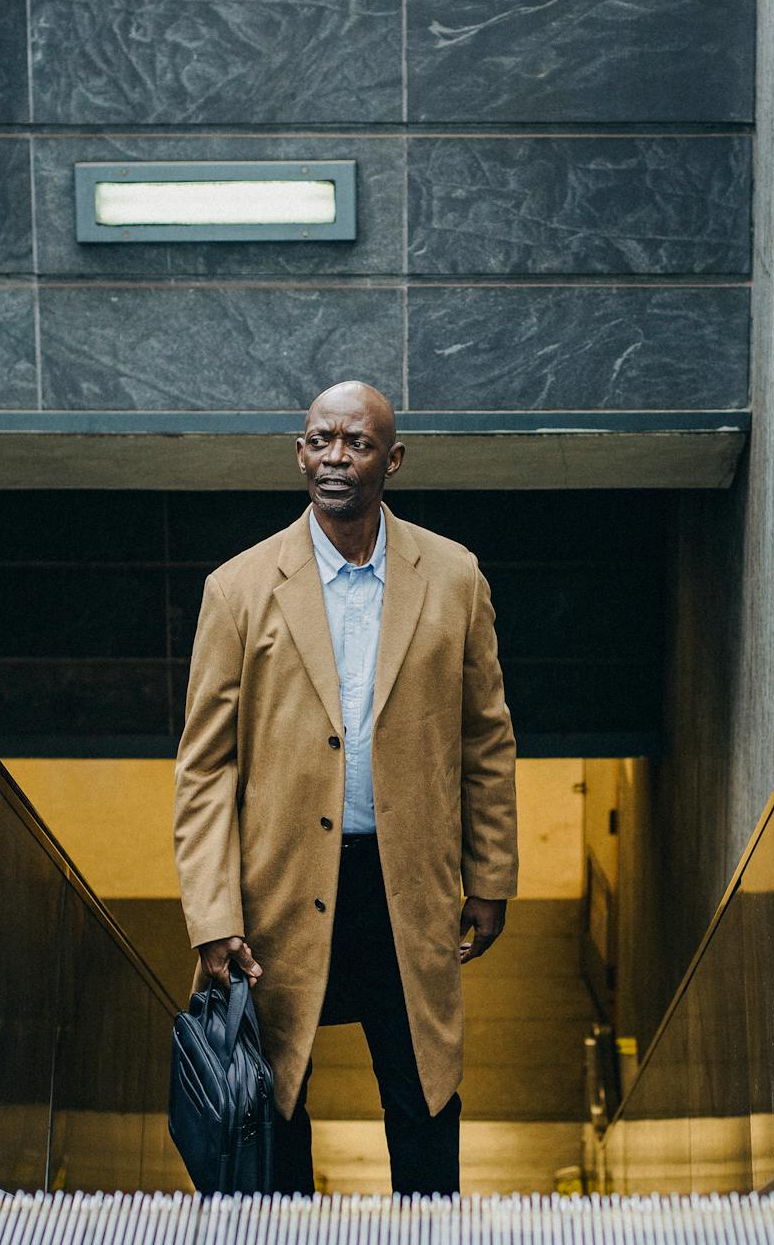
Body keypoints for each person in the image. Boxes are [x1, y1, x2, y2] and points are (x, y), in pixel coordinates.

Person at [171, 380, 519, 1194]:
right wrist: (214, 916)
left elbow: (487, 738)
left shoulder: (455, 577)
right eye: (320, 439)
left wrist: (491, 876)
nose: (336, 458)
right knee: (274, 1102)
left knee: (425, 1100)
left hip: (409, 890)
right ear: (299, 452)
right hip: (280, 894)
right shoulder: (239, 588)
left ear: (390, 460)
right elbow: (203, 769)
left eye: (357, 443)